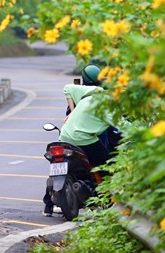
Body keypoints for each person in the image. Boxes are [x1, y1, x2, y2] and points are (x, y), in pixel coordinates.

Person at [43, 88, 128, 216]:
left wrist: (72, 110)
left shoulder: (88, 96)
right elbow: (123, 126)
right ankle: (108, 200)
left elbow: (68, 88)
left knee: (58, 168)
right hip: (83, 139)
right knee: (108, 166)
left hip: (64, 136)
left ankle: (48, 205)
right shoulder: (107, 107)